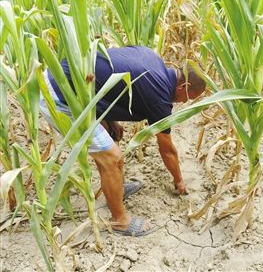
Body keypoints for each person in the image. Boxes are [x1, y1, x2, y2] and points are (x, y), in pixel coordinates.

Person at [40, 46, 206, 236]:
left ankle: (116, 189)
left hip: (67, 80)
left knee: (112, 136)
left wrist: (110, 120)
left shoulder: (152, 58)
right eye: (189, 98)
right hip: (59, 95)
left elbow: (106, 78)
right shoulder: (160, 96)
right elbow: (167, 149)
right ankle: (120, 221)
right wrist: (179, 181)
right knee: (112, 157)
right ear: (182, 87)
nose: (184, 103)